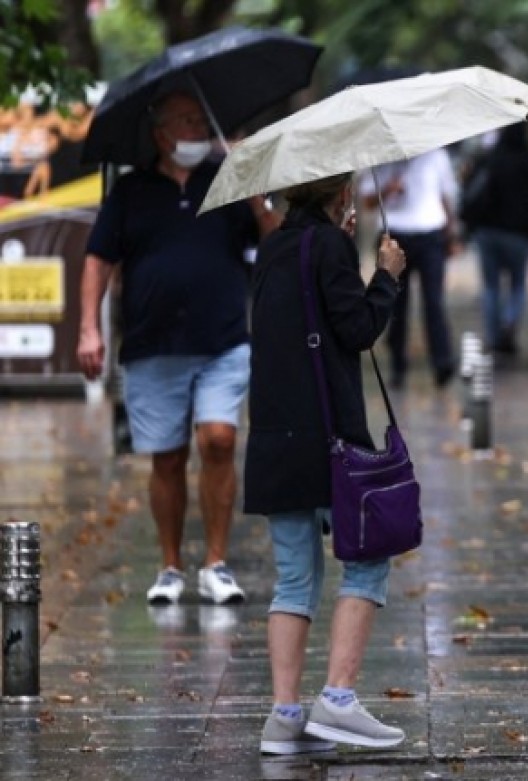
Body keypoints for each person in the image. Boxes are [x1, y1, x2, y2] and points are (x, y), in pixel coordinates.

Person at [77, 89, 281, 605]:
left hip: (222, 340)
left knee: (218, 440)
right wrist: (89, 329)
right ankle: (170, 565)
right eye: (186, 121)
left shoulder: (228, 181)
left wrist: (254, 185)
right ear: (160, 133)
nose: (197, 130)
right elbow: (98, 260)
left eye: (200, 118)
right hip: (153, 344)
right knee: (166, 459)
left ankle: (216, 562)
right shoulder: (130, 192)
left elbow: (274, 241)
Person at [244, 172, 408, 754]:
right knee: (366, 558)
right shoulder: (331, 246)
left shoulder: (271, 246)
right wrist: (385, 277)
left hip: (272, 438)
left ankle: (284, 717)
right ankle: (337, 699)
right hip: (327, 438)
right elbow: (358, 328)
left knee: (294, 578)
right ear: (340, 195)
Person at [358, 148, 459, 388]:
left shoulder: (436, 156)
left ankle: (441, 361)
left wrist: (452, 234)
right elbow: (368, 201)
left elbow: (446, 196)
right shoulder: (383, 161)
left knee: (433, 300)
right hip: (396, 232)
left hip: (430, 234)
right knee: (397, 302)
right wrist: (388, 190)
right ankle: (398, 364)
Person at [462, 122, 528, 355]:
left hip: (488, 232)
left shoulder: (489, 160)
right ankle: (510, 321)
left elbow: (471, 192)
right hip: (520, 233)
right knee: (518, 284)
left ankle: (494, 337)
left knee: (490, 287)